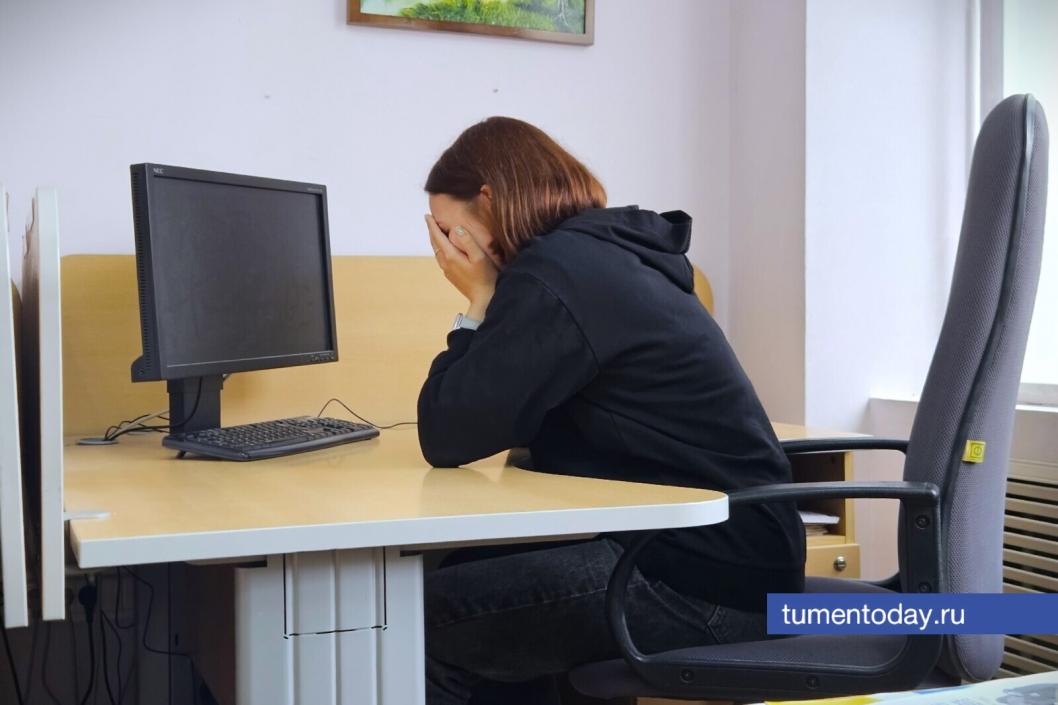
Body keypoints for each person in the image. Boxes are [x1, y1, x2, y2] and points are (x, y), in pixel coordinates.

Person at [417, 116, 804, 705]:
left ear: (489, 200)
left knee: (417, 621)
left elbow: (446, 433)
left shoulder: (559, 274)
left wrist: (477, 301)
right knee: (457, 571)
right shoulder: (603, 254)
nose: (448, 251)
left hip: (701, 586)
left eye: (449, 231)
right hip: (739, 561)